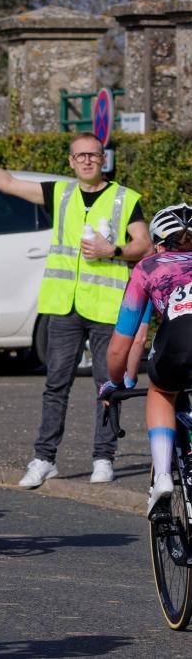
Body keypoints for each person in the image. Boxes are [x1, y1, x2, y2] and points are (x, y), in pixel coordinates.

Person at [0, 132, 152, 486]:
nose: (87, 161)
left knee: (107, 385)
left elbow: (144, 244)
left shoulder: (125, 198)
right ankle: (44, 458)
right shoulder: (60, 194)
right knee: (55, 383)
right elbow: (8, 183)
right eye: (80, 156)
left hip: (107, 306)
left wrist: (113, 251)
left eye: (93, 155)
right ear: (71, 162)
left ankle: (103, 457)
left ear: (104, 160)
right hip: (63, 305)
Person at [104, 204, 192, 518]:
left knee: (161, 393)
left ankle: (164, 478)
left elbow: (122, 347)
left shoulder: (147, 267)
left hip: (178, 343)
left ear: (158, 242)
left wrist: (114, 383)